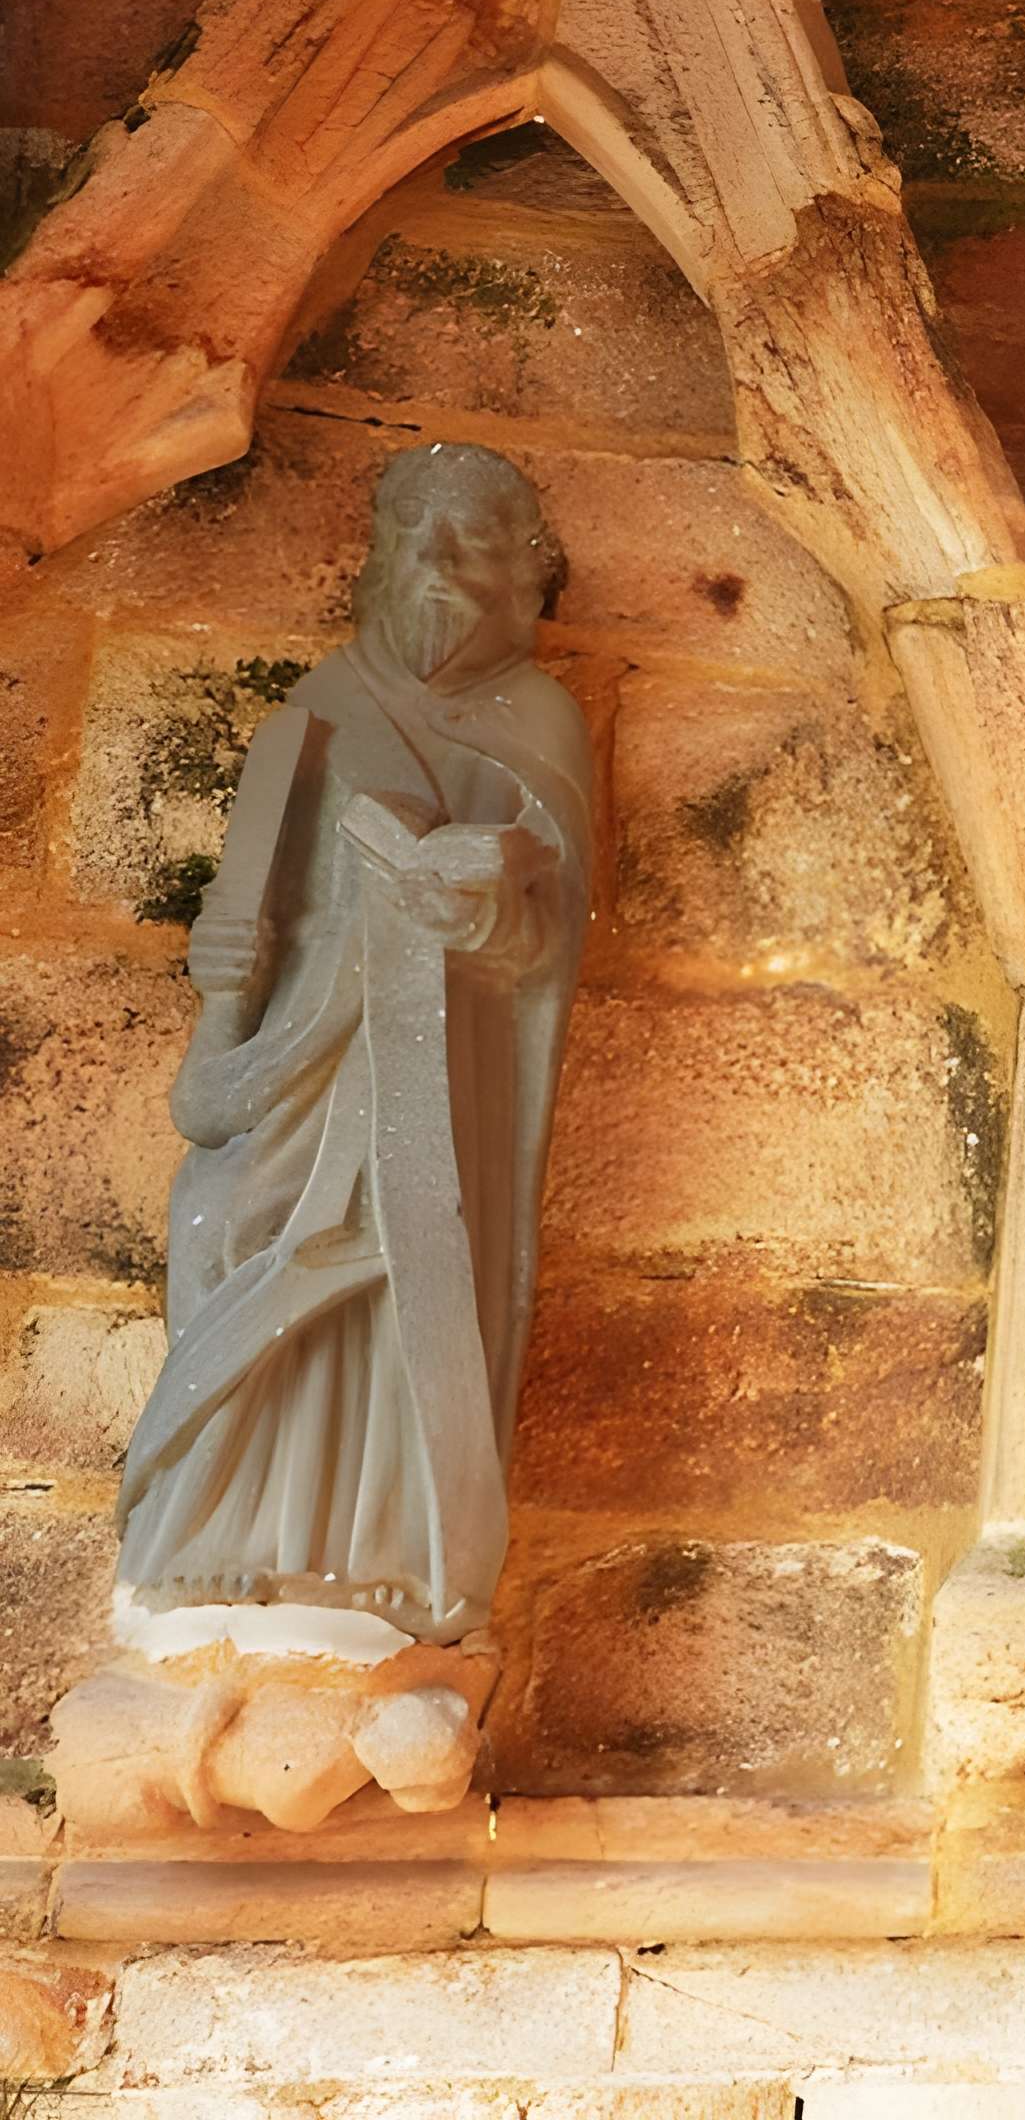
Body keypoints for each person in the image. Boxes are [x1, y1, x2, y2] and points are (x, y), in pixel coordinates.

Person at [115, 442, 594, 1642]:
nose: (440, 571)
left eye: (474, 543)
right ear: (377, 556)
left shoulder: (537, 720)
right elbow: (251, 907)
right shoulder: (317, 711)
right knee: (223, 1227)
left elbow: (546, 930)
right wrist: (229, 975)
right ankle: (209, 1538)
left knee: (409, 1275)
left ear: (524, 571)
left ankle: (384, 1551)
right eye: (416, 538)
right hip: (300, 1050)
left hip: (441, 1057)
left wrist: (475, 900)